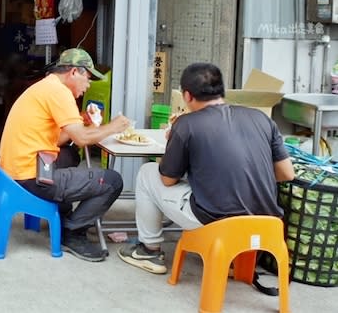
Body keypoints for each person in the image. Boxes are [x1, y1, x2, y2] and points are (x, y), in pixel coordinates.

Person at [118, 62, 295, 274]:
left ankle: (149, 250)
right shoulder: (261, 118)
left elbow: (167, 180)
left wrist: (175, 139)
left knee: (147, 174)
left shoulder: (186, 124)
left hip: (215, 221)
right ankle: (232, 258)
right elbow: (287, 173)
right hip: (267, 221)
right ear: (222, 90)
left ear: (187, 96)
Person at [0, 48, 133, 262]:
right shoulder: (59, 93)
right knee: (112, 181)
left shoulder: (46, 86)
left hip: (15, 169)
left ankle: (62, 208)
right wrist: (113, 127)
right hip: (31, 176)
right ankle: (72, 232)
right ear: (73, 73)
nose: (88, 86)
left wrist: (82, 122)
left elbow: (60, 139)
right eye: (87, 79)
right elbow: (81, 138)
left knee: (71, 154)